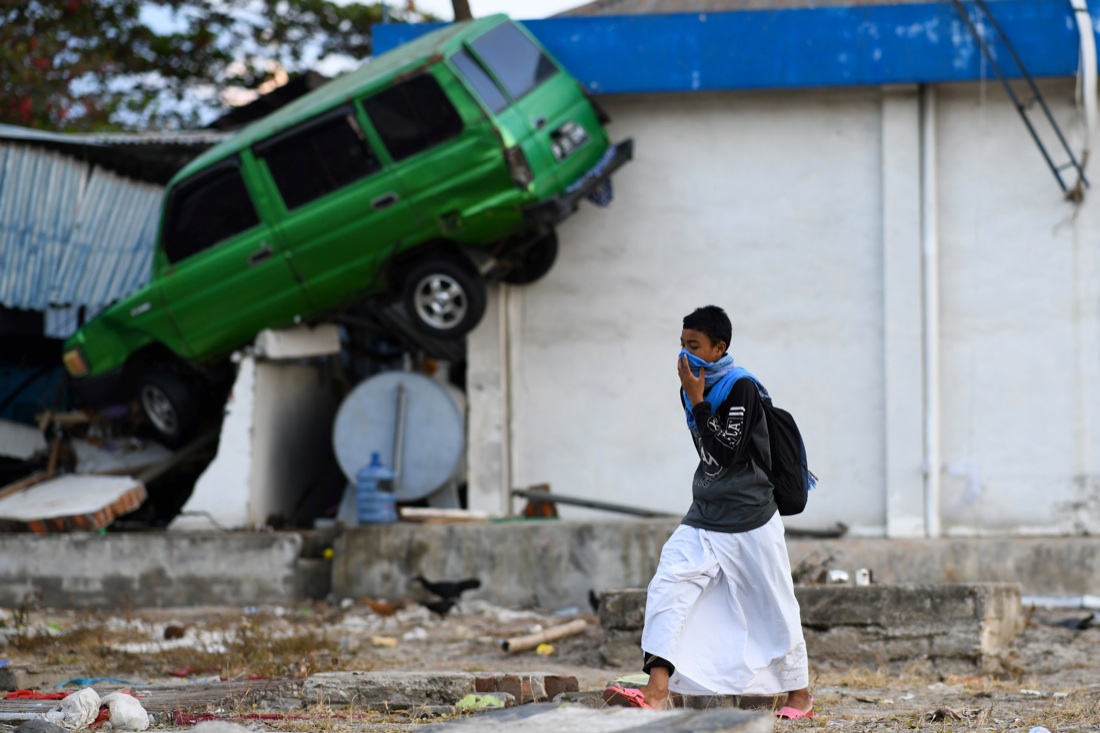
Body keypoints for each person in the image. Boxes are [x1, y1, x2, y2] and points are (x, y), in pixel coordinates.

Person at [604, 305, 813, 718]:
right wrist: (694, 397)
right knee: (668, 587)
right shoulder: (689, 388)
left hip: (751, 516)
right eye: (682, 345)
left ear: (719, 348)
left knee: (774, 605)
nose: (685, 355)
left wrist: (700, 400)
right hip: (704, 514)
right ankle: (657, 689)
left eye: (694, 346)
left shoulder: (741, 389)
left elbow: (726, 451)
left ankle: (800, 695)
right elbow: (708, 457)